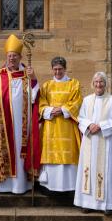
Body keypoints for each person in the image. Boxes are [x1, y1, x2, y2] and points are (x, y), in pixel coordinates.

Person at [0, 34, 41, 194]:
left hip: (23, 122)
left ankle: (22, 185)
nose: (12, 59)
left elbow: (35, 96)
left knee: (21, 151)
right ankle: (5, 185)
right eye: (9, 56)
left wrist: (34, 79)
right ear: (6, 57)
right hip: (3, 123)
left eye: (14, 56)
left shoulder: (27, 75)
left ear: (20, 57)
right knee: (5, 150)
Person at [74, 72, 112, 216]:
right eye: (96, 82)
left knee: (106, 172)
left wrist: (101, 126)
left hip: (105, 144)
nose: (98, 84)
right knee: (89, 171)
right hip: (90, 141)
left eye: (101, 82)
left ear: (105, 84)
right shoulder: (87, 100)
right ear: (92, 84)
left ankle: (107, 205)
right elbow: (81, 118)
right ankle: (87, 203)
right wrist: (89, 125)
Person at [38, 56, 82, 194]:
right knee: (52, 155)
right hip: (51, 126)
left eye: (60, 69)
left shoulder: (73, 84)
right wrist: (50, 110)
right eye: (55, 69)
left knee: (67, 155)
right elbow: (41, 103)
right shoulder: (46, 86)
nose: (58, 72)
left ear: (65, 69)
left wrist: (62, 110)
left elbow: (77, 101)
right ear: (52, 69)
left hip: (67, 126)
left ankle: (69, 187)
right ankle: (51, 186)